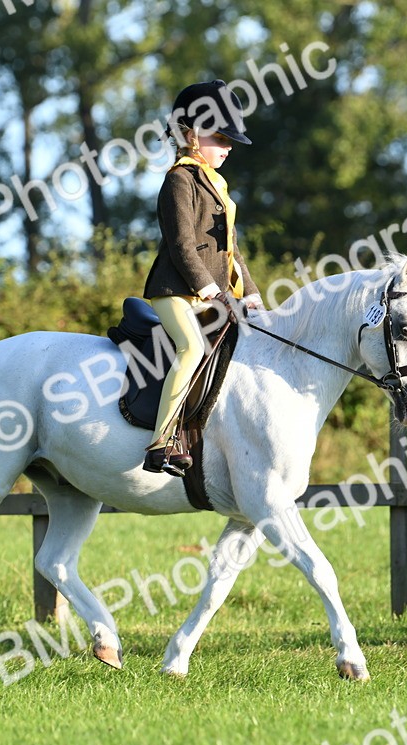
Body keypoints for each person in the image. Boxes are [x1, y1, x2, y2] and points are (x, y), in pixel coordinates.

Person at [142, 80, 262, 476]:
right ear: (192, 134)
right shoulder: (180, 180)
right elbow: (181, 246)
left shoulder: (217, 186)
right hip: (176, 290)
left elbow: (232, 252)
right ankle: (161, 442)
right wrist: (210, 289)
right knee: (191, 349)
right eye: (221, 137)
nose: (228, 147)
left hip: (210, 294)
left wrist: (253, 296)